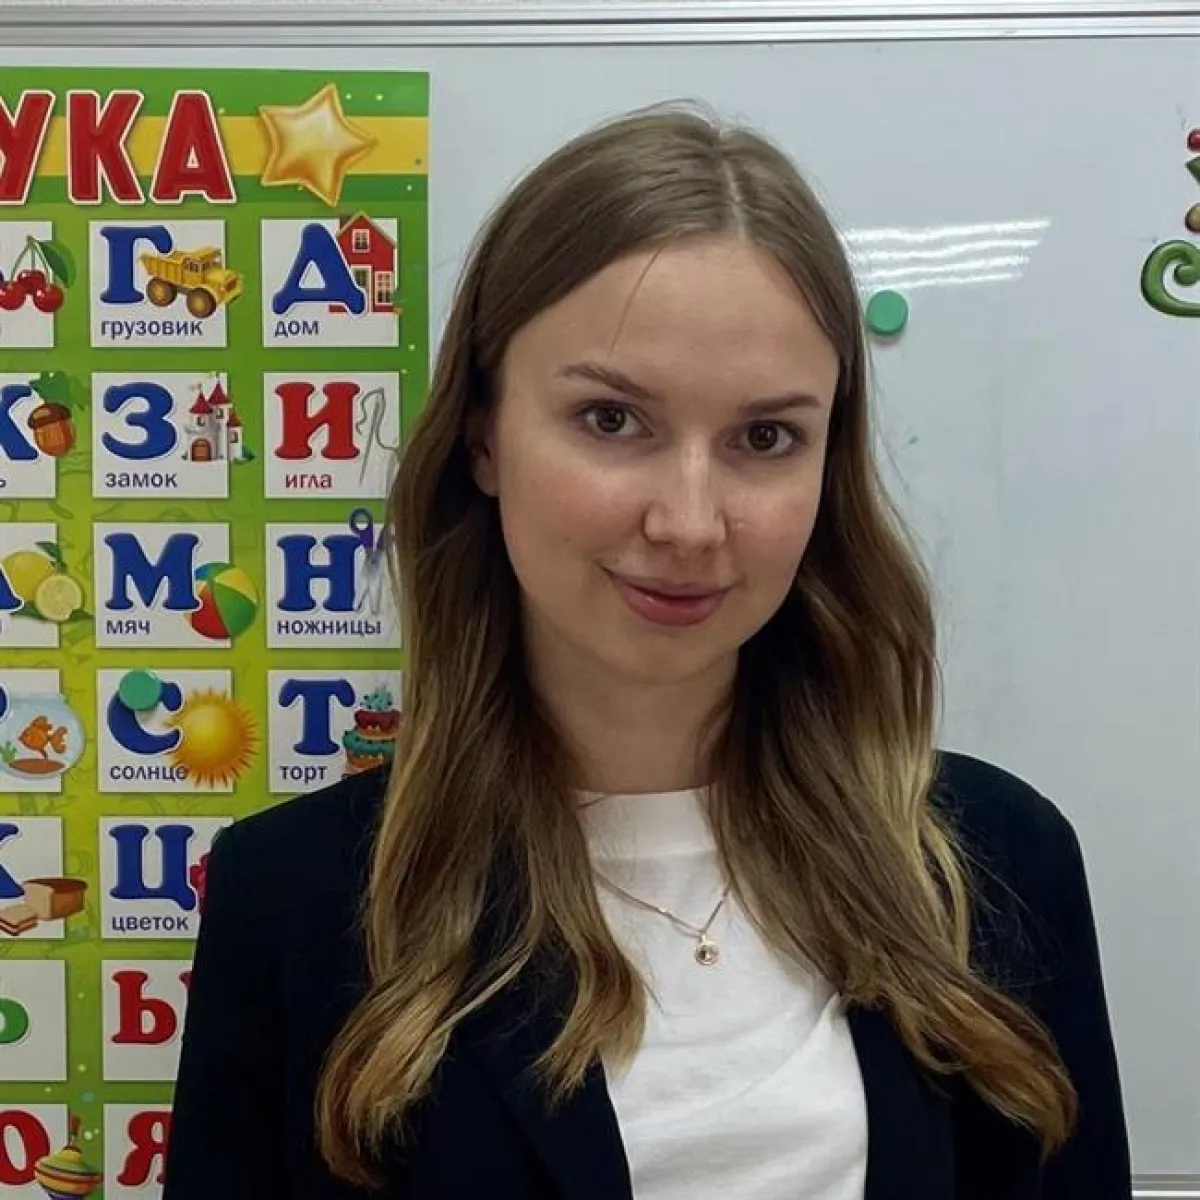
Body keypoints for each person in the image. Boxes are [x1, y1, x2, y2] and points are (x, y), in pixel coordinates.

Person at [162, 105, 1132, 1200]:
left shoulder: (995, 866)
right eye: (613, 421)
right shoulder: (293, 901)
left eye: (766, 437)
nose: (689, 523)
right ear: (483, 437)